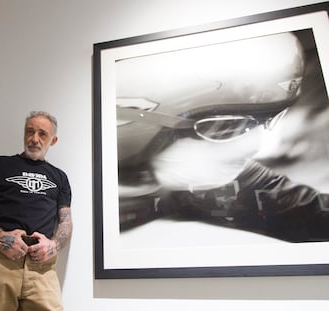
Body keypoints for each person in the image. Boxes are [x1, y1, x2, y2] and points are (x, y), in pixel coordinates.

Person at [116, 30, 329, 242]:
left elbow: (309, 212)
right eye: (226, 126)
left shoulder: (218, 184)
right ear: (139, 125)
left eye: (271, 119)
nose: (255, 146)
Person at [0, 111, 72, 311]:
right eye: (29, 132)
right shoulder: (0, 164)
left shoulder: (60, 177)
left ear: (53, 140)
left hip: (41, 267)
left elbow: (65, 221)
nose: (34, 139)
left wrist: (53, 246)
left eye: (42, 134)